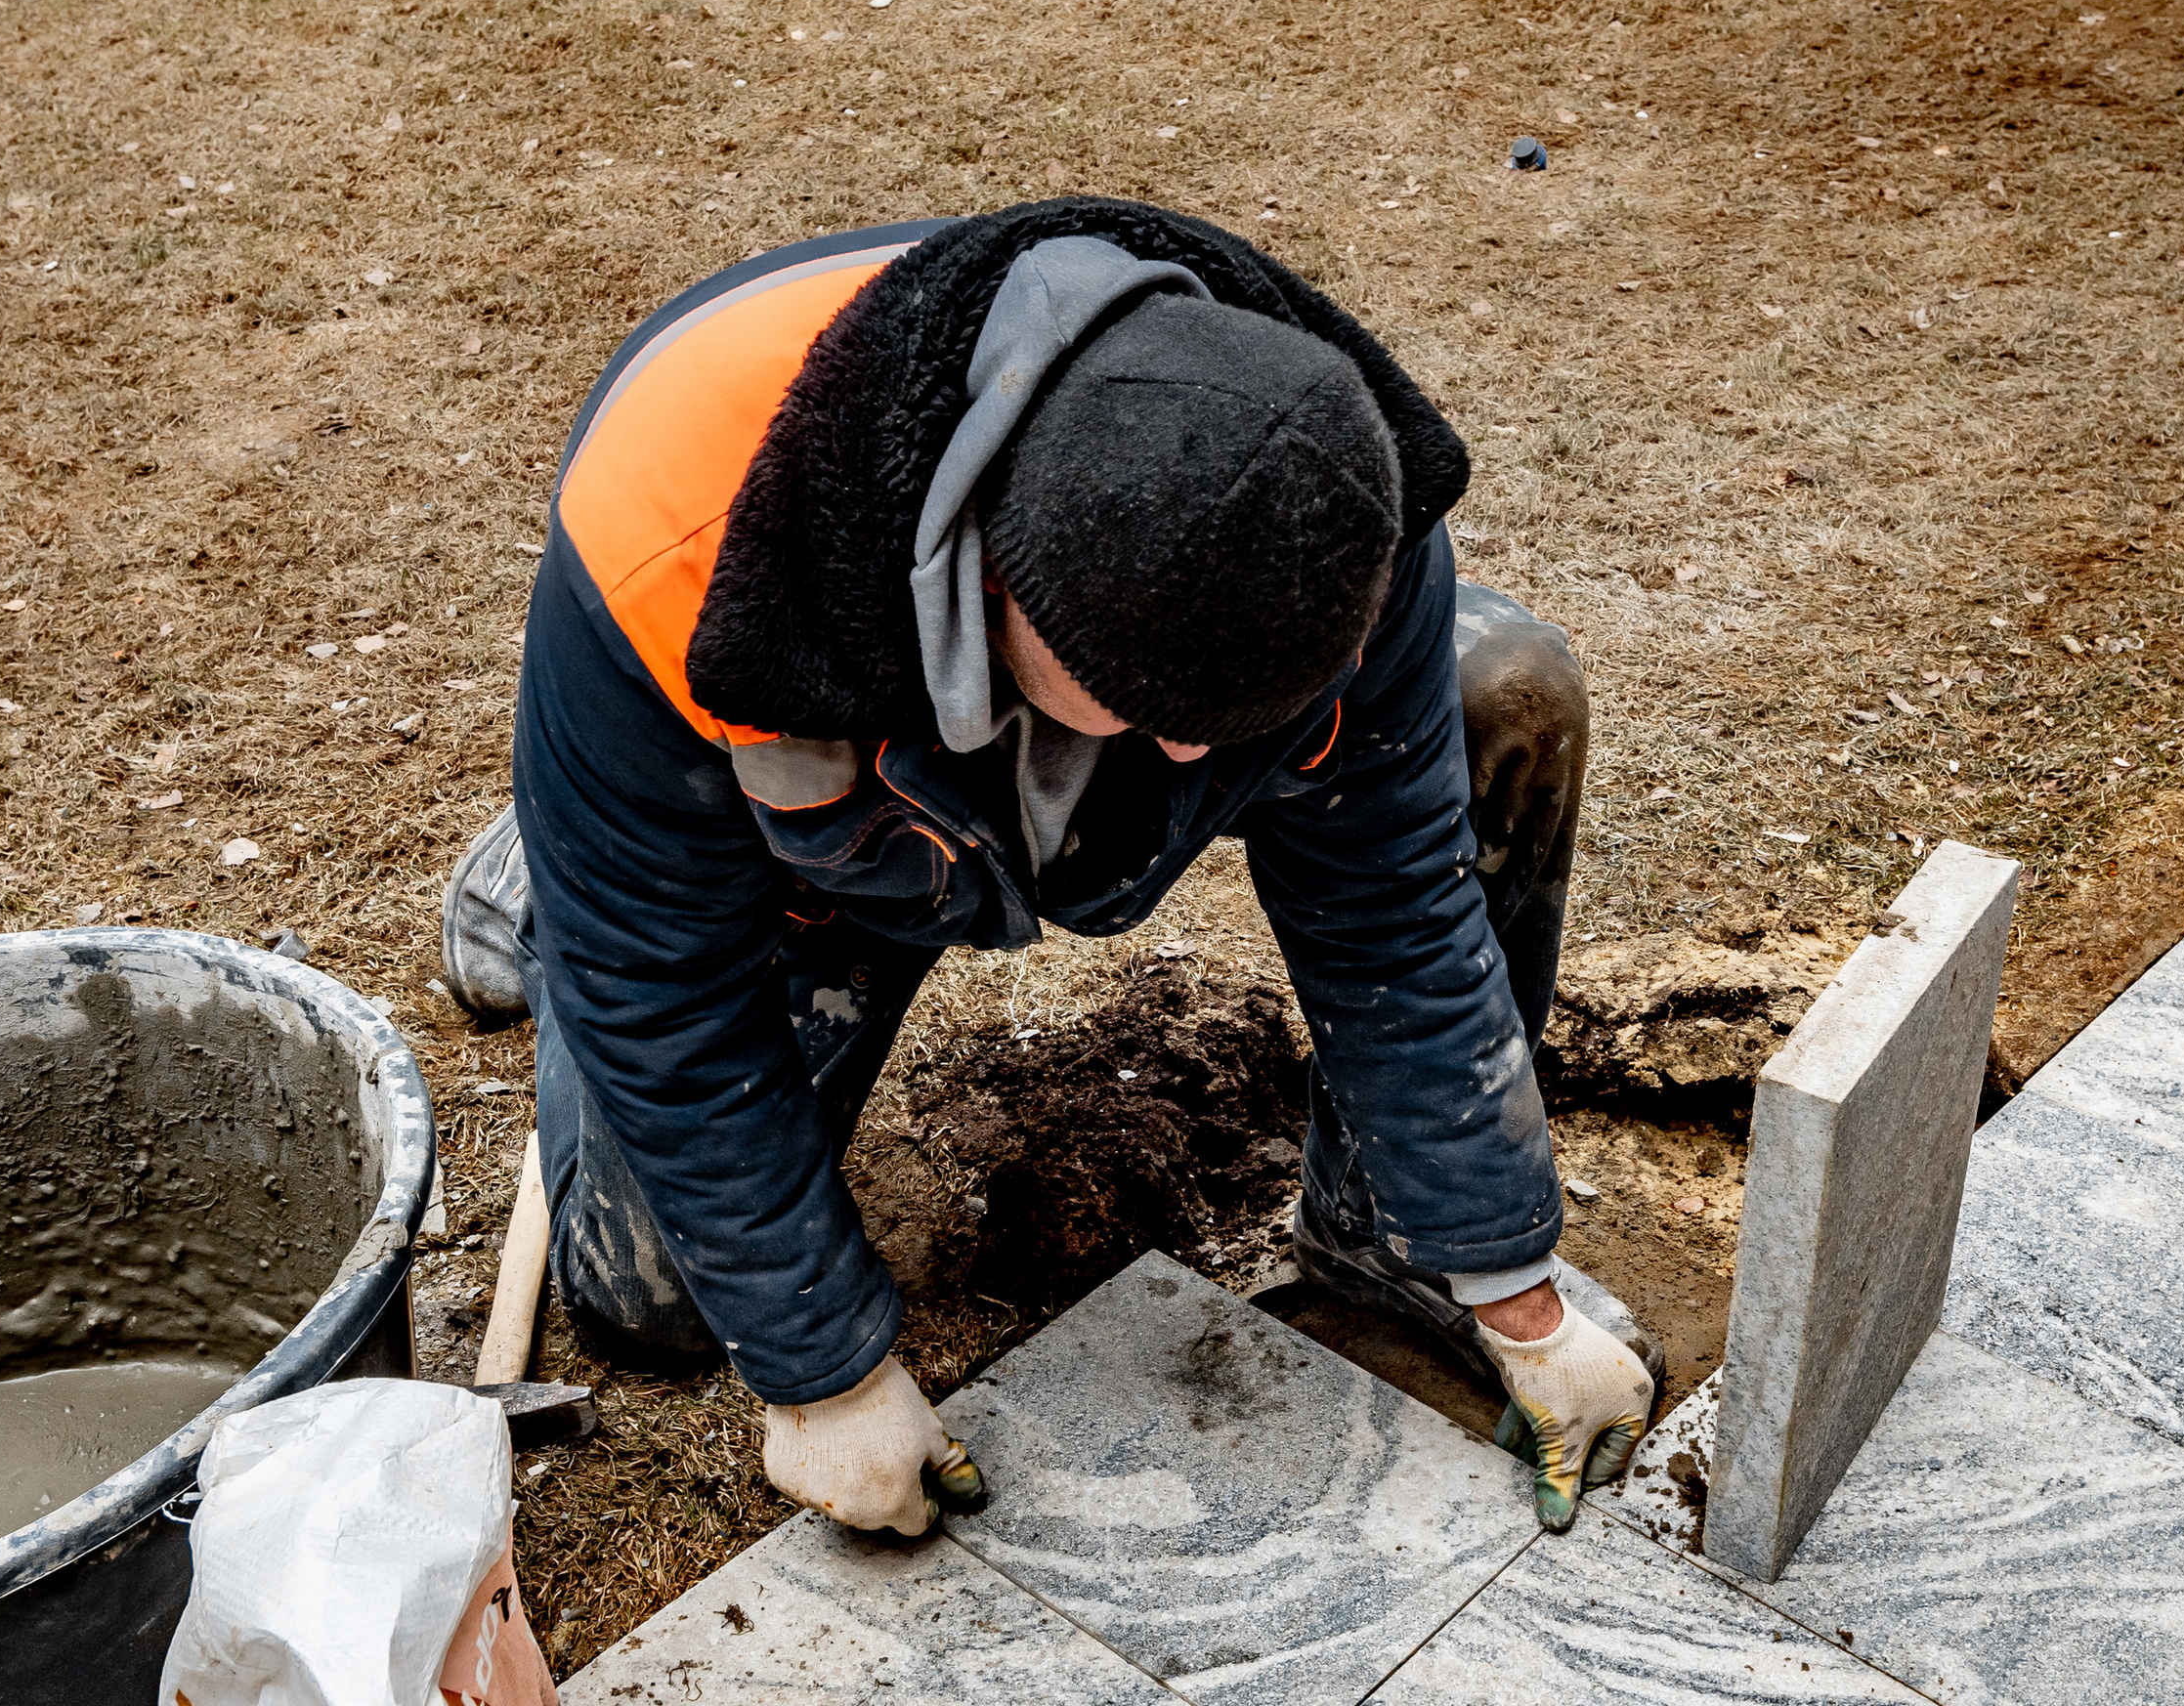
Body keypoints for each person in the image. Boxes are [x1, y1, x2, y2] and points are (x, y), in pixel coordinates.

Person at [442, 198, 1659, 1541]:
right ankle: (558, 853)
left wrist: (1515, 1287)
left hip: (976, 753)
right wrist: (827, 1372)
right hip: (801, 829)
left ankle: (1387, 1234)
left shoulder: (1333, 491)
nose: (1198, 747)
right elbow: (661, 998)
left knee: (1504, 688)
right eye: (1155, 704)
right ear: (1003, 573)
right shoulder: (679, 540)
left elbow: (1395, 910)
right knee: (655, 1299)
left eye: (1232, 718)